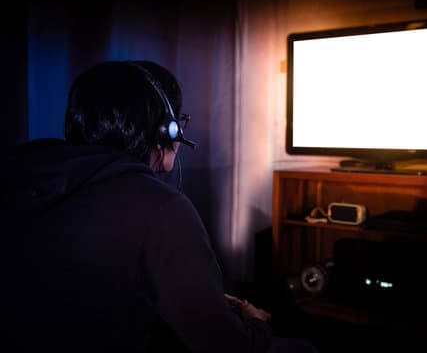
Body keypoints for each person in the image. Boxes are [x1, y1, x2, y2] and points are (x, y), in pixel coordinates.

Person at [1, 60, 317, 353]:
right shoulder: (161, 208)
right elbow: (225, 346)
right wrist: (256, 324)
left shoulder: (23, 177)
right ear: (168, 130)